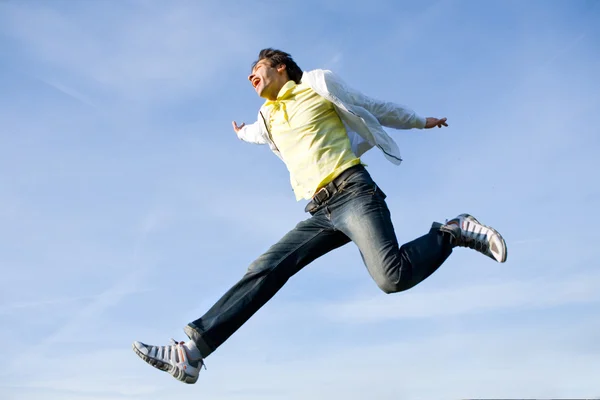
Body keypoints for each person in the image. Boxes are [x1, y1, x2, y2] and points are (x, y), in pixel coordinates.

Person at [132, 48, 507, 384]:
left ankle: (452, 232)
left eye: (258, 68)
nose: (251, 77)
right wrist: (241, 133)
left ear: (281, 68)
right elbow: (255, 134)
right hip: (319, 212)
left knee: (392, 277)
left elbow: (370, 106)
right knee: (265, 268)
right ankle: (191, 352)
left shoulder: (315, 83)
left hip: (353, 191)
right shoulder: (267, 118)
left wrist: (419, 120)